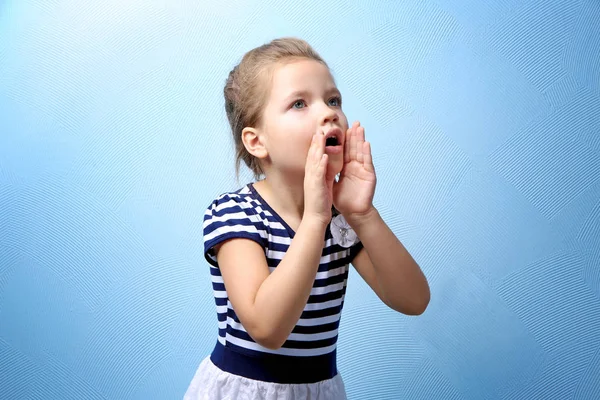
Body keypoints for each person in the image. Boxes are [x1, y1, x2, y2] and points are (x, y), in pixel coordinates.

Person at [183, 37, 430, 400]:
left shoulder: (342, 220)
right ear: (256, 142)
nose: (329, 112)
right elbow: (267, 328)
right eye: (300, 103)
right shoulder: (236, 213)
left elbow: (413, 300)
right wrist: (314, 219)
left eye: (333, 100)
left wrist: (363, 214)